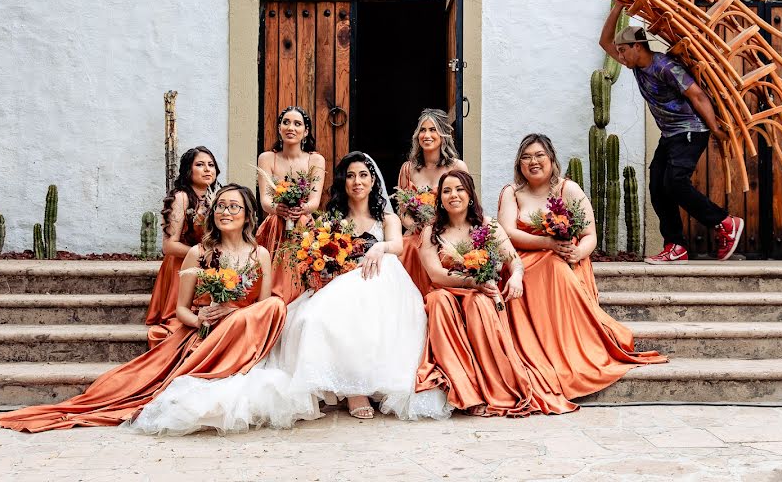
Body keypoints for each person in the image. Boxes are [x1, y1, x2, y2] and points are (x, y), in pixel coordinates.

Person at [129, 152, 450, 435]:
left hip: (380, 274)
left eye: (363, 175)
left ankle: (376, 385)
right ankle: (354, 389)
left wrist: (379, 247)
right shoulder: (333, 218)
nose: (357, 181)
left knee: (371, 309)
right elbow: (324, 252)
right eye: (350, 175)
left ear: (372, 181)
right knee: (312, 317)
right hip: (344, 277)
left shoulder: (386, 216)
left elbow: (396, 244)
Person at [0, 185, 286, 433]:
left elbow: (261, 306)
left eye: (234, 207)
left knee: (275, 304)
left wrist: (233, 310)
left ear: (248, 216)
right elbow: (180, 310)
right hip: (207, 334)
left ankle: (237, 362)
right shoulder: (198, 254)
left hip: (244, 333)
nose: (225, 212)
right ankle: (216, 364)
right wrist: (198, 319)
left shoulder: (260, 254)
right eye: (221, 206)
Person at [497, 134, 667, 400]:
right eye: (526, 157)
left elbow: (590, 235)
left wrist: (576, 253)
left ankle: (571, 348)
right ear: (519, 164)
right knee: (547, 265)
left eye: (540, 155)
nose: (533, 161)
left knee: (556, 266)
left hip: (566, 259)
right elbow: (507, 232)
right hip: (524, 259)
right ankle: (540, 348)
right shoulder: (512, 193)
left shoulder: (568, 189)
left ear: (552, 159)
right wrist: (546, 242)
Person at [416, 169, 577, 417]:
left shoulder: (487, 226)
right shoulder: (431, 232)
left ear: (470, 196)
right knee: (438, 301)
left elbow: (514, 261)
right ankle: (465, 391)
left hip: (481, 294)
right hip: (447, 290)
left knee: (479, 303)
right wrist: (471, 282)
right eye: (446, 191)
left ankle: (491, 389)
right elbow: (435, 275)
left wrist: (516, 277)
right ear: (440, 200)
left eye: (459, 189)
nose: (453, 195)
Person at [599, 2, 744, 263]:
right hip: (670, 135)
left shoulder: (665, 66)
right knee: (658, 185)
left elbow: (697, 95)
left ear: (638, 47)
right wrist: (618, 6)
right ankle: (676, 246)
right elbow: (604, 41)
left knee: (676, 182)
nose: (619, 56)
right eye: (618, 51)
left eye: (623, 50)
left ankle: (725, 222)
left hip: (690, 130)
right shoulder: (636, 66)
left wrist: (716, 130)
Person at [144, 147, 220, 348]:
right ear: (188, 170)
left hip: (209, 264)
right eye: (200, 165)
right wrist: (203, 254)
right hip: (182, 265)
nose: (207, 170)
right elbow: (169, 246)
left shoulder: (216, 197)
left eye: (211, 165)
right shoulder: (181, 197)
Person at [256, 106, 326, 301]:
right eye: (286, 122)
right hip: (275, 225)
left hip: (303, 224)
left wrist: (299, 209)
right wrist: (278, 208)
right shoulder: (267, 158)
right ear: (279, 128)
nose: (291, 127)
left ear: (306, 131)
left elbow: (314, 200)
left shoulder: (316, 160)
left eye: (297, 124)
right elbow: (265, 200)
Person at [397, 108, 468, 296]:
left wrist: (437, 229)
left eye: (433, 130)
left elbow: (466, 204)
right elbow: (402, 211)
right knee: (409, 247)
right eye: (422, 130)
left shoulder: (457, 167)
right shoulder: (408, 169)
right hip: (416, 234)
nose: (426, 135)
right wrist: (415, 226)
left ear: (444, 134)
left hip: (446, 233)